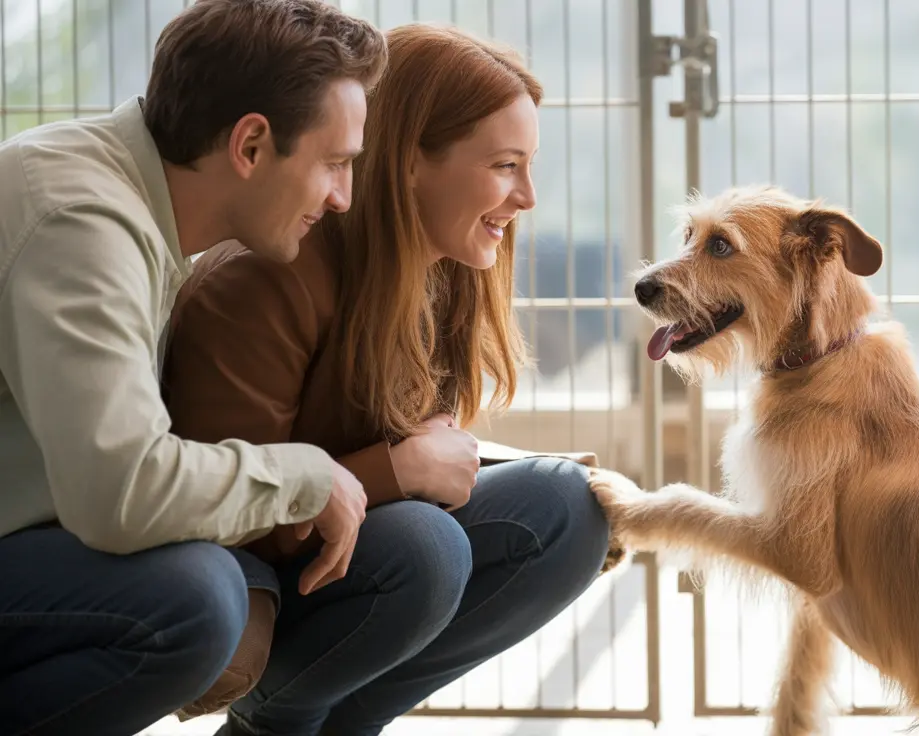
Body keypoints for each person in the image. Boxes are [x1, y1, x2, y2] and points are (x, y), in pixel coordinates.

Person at [159, 23, 617, 736]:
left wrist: (416, 470)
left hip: (356, 537)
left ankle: (341, 725)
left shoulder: (446, 271)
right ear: (409, 163)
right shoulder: (263, 277)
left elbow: (408, 453)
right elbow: (225, 511)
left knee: (567, 507)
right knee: (423, 549)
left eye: (528, 166)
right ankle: (272, 722)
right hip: (248, 569)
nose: (527, 196)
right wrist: (396, 472)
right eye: (504, 166)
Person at [0, 1, 388, 733]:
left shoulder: (127, 204)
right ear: (250, 145)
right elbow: (123, 491)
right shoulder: (83, 223)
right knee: (194, 599)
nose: (341, 197)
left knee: (227, 580)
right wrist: (306, 475)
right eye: (334, 164)